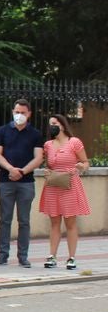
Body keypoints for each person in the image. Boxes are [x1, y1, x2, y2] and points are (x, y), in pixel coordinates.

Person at [0, 99, 44, 267]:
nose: (19, 115)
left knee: (24, 220)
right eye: (16, 112)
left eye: (22, 112)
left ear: (29, 114)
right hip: (6, 181)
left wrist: (22, 171)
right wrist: (11, 169)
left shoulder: (35, 134)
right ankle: (3, 255)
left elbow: (38, 158)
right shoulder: (3, 131)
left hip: (26, 182)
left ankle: (23, 256)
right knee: (5, 219)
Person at [39, 114, 91, 270]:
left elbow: (86, 162)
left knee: (70, 222)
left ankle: (71, 257)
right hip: (53, 184)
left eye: (55, 123)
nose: (52, 126)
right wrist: (46, 170)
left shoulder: (74, 142)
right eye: (50, 124)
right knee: (54, 222)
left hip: (70, 184)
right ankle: (52, 255)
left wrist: (82, 166)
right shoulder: (48, 144)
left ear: (62, 124)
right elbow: (45, 162)